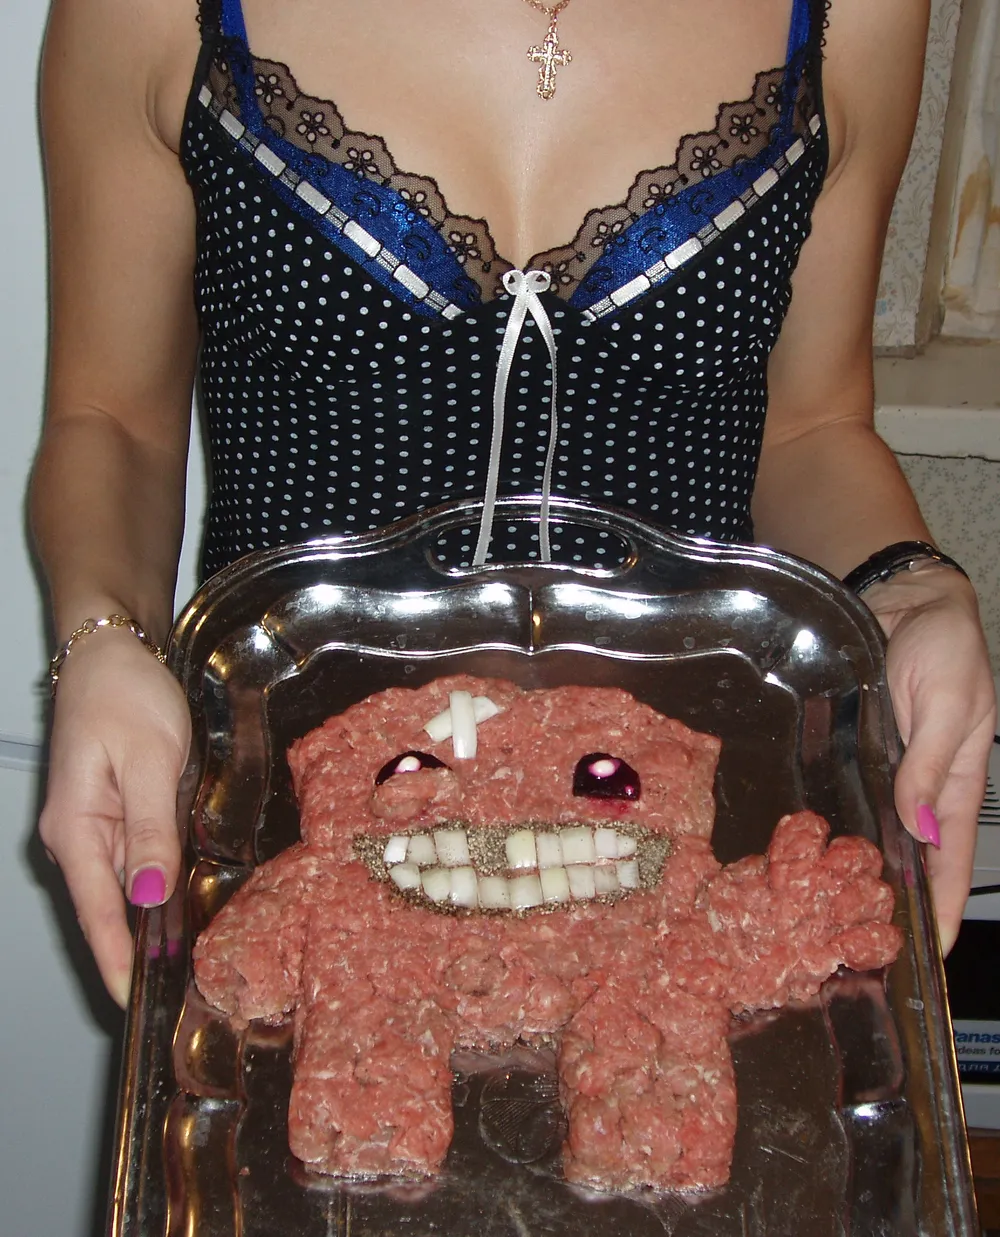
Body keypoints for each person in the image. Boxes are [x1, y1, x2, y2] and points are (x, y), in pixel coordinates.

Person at [33, 0, 995, 1009]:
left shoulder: (857, 12)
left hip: (682, 853)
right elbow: (112, 421)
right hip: (296, 850)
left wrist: (906, 583)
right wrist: (103, 636)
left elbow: (809, 428)